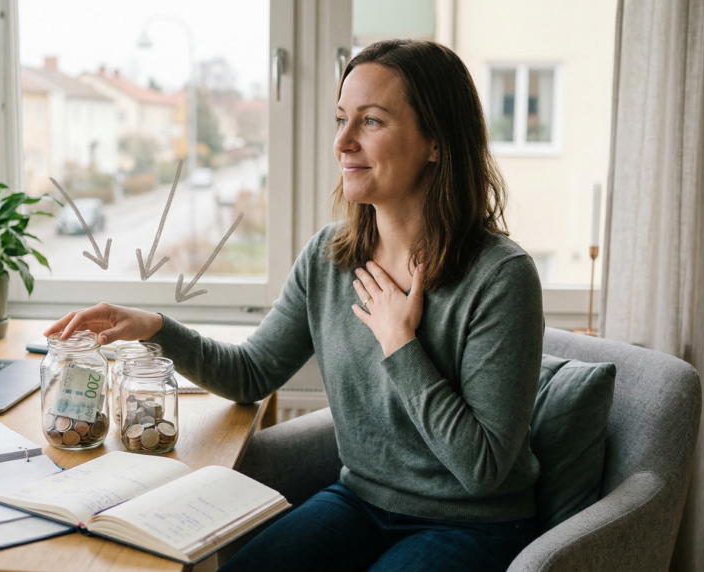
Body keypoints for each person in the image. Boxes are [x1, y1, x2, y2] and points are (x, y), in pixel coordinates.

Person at [44, 39, 544, 572]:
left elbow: (484, 468)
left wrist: (401, 343)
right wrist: (154, 327)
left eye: (371, 122)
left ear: (436, 142)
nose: (343, 142)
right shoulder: (330, 258)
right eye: (340, 119)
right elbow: (252, 373)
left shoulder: (501, 278)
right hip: (360, 501)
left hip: (471, 521)